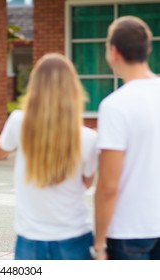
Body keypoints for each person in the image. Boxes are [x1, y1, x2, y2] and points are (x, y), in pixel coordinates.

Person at [0, 53, 98, 260]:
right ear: (73, 90)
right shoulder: (88, 138)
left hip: (29, 242)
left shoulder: (18, 122)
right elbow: (86, 183)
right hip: (75, 239)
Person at [92, 16, 160, 260]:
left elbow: (108, 186)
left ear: (113, 52)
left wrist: (99, 244)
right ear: (147, 50)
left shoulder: (115, 105)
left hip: (129, 232)